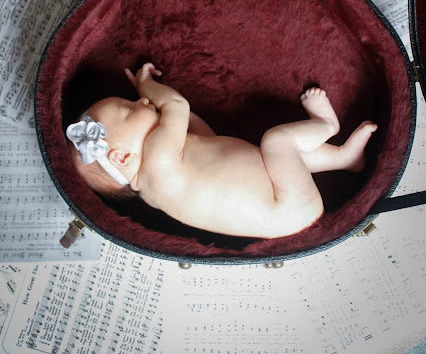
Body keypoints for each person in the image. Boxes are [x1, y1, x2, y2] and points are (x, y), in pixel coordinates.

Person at [66, 63, 377, 239]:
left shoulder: (155, 188)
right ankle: (326, 124)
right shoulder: (157, 158)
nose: (142, 103)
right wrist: (147, 85)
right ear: (123, 157)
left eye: (133, 100)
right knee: (275, 144)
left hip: (284, 217)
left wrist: (180, 122)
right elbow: (177, 105)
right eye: (129, 108)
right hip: (289, 205)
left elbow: (209, 144)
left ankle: (343, 159)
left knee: (272, 161)